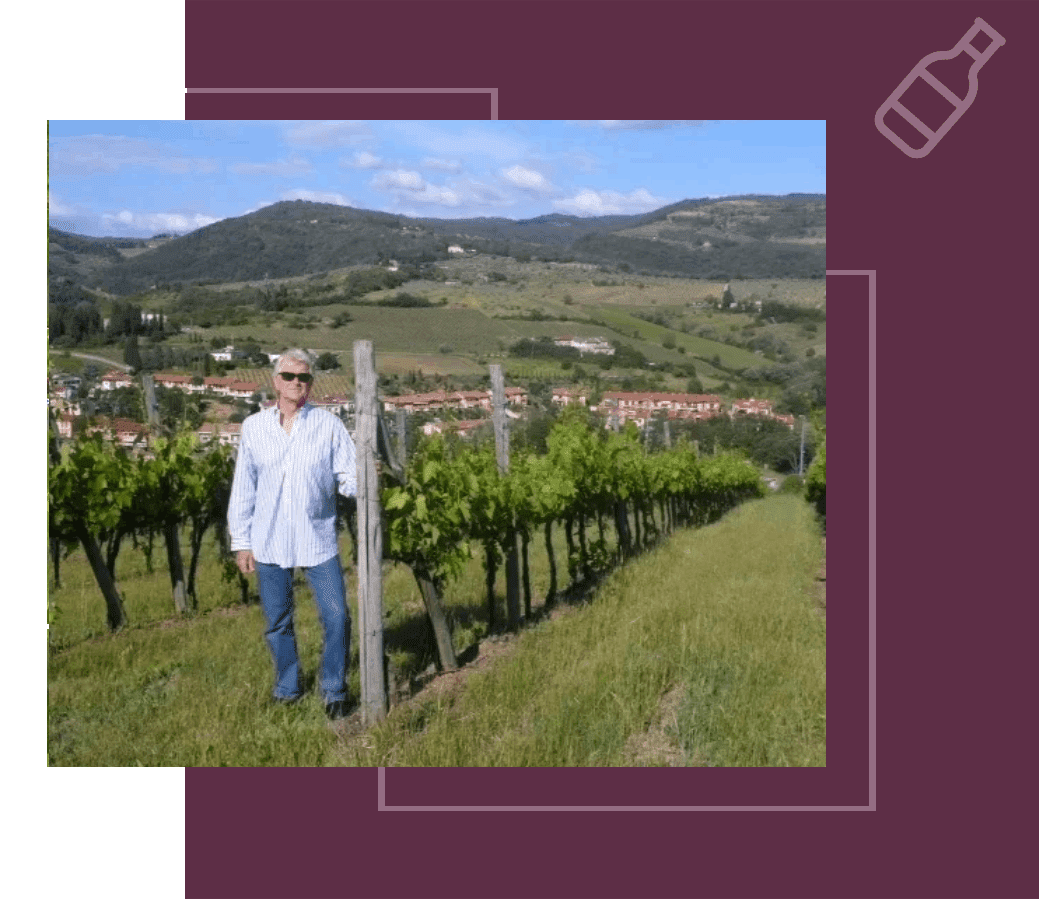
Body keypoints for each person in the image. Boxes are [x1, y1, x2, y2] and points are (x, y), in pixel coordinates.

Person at [227, 348, 357, 720]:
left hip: (317, 540)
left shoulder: (328, 425)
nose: (296, 383)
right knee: (278, 622)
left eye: (304, 378)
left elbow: (347, 474)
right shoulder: (254, 427)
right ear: (275, 381)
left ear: (311, 383)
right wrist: (242, 542)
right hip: (268, 542)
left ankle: (334, 690)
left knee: (337, 617)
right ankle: (288, 688)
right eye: (289, 377)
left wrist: (363, 483)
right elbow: (244, 488)